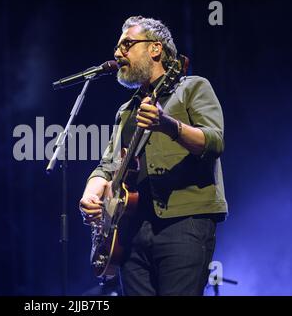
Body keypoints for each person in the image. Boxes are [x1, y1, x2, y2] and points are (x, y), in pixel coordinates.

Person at [79, 16, 228, 296]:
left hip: (184, 222)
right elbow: (107, 166)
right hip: (131, 231)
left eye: (127, 44)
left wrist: (167, 124)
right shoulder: (126, 111)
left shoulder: (193, 88)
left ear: (155, 49)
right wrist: (91, 193)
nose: (117, 53)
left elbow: (214, 141)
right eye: (117, 47)